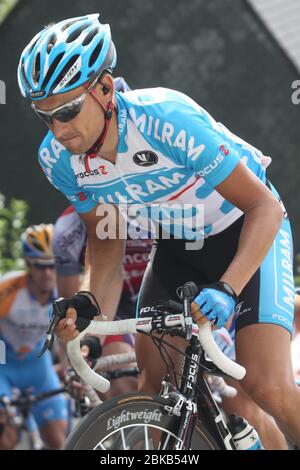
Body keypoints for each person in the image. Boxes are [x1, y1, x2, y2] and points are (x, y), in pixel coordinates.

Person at [17, 14, 299, 448]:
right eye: (45, 116)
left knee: (265, 385)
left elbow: (264, 206)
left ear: (105, 89)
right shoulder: (58, 160)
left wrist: (228, 287)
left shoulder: (165, 118)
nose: (58, 130)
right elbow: (107, 236)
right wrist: (92, 304)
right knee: (154, 387)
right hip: (178, 245)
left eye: (68, 110)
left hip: (246, 229)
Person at [53, 204, 152, 398]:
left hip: (163, 290)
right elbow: (70, 318)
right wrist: (73, 364)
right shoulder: (66, 230)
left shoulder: (154, 203)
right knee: (122, 384)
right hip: (111, 306)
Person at [0, 225, 68, 449]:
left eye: (52, 266)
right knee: (5, 438)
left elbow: (68, 336)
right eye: (40, 266)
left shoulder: (63, 293)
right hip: (3, 365)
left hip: (38, 367)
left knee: (59, 441)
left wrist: (67, 368)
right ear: (28, 265)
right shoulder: (9, 289)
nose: (48, 273)